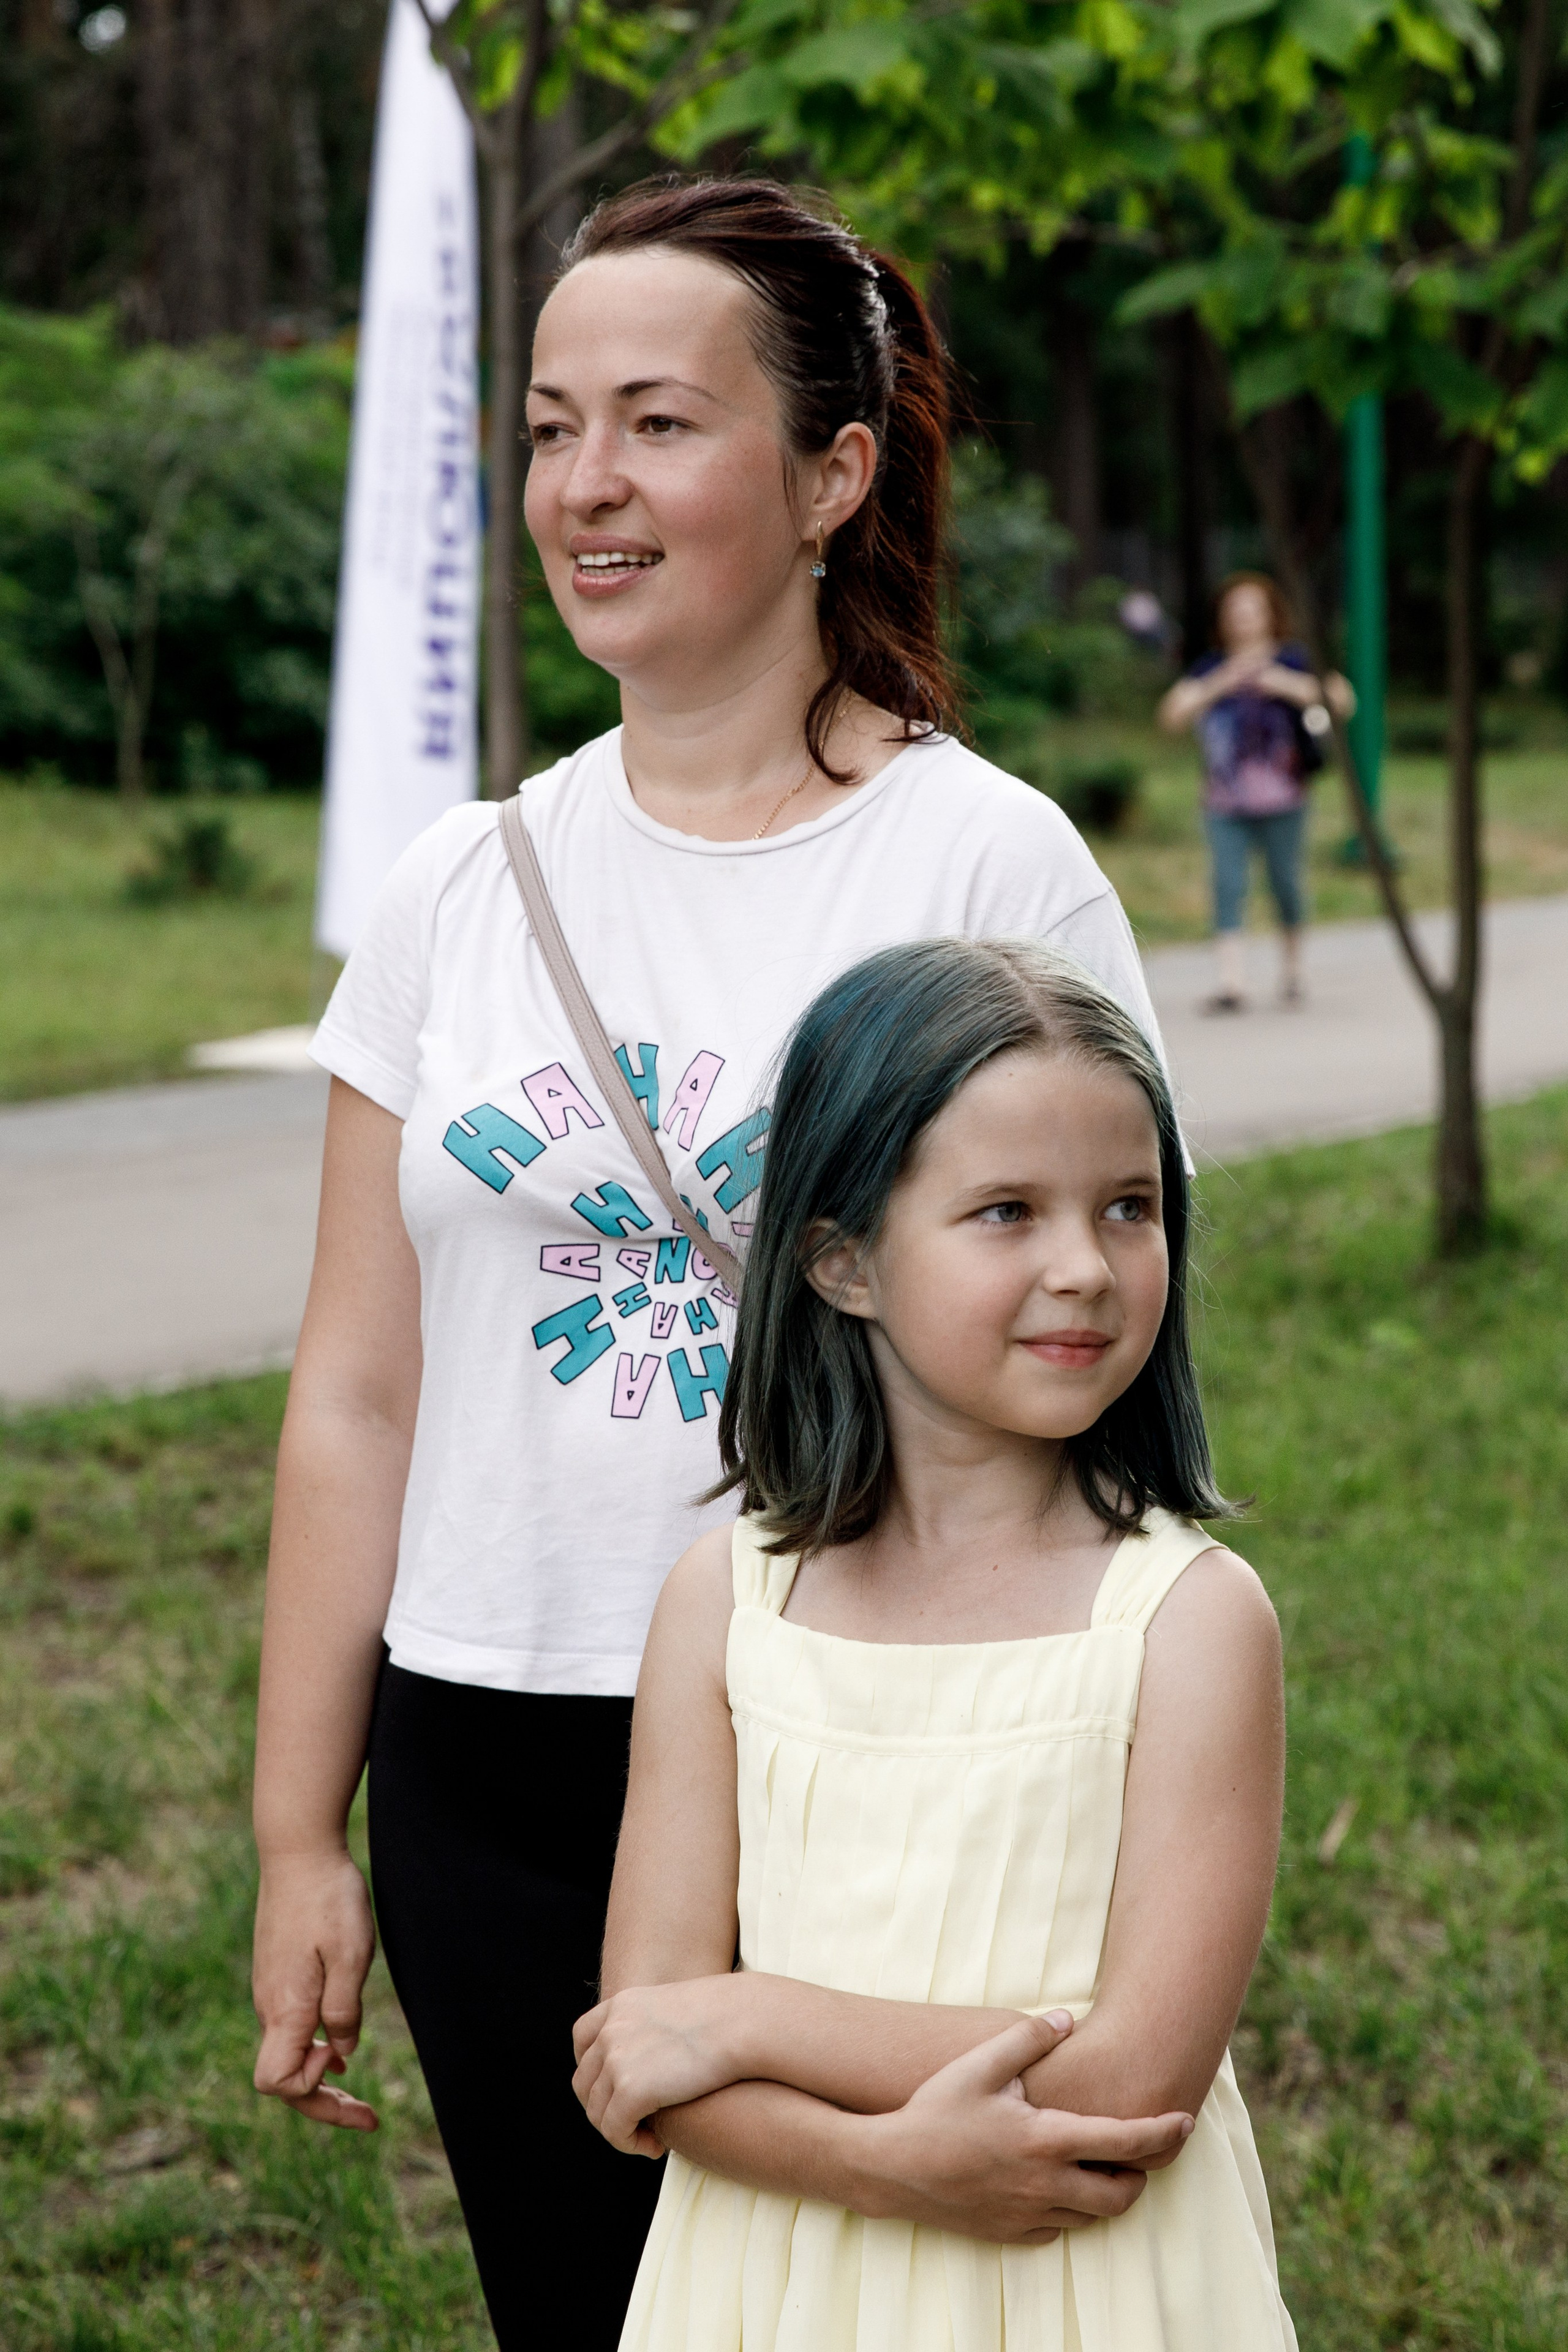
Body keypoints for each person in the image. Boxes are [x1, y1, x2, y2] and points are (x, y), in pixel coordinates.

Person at [249, 176, 1178, 2352]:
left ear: (833, 472)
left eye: (659, 423)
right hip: (485, 1749)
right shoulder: (454, 892)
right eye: (555, 426)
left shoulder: (979, 863)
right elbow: (352, 1390)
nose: (588, 485)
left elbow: (1100, 1330)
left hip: (864, 1737)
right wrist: (306, 1828)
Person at [574, 938, 1295, 2352]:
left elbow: (1128, 2080)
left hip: (1090, 2283)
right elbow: (642, 2055)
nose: (1083, 1266)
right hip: (777, 2281)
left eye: (1128, 1206)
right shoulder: (724, 1604)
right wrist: (878, 2163)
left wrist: (750, 2014)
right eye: (1005, 1211)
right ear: (839, 1258)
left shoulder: (1190, 1622)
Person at [1158, 571, 1352, 1013]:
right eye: (1234, 611)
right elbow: (1171, 715)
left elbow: (1343, 700)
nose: (1243, 619)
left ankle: (1293, 972)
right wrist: (1221, 683)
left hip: (1286, 796)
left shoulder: (1294, 661)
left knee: (1286, 882)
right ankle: (1232, 982)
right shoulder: (1211, 667)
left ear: (1270, 615)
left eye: (1252, 610)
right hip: (1225, 801)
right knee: (1227, 884)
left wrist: (1281, 683)